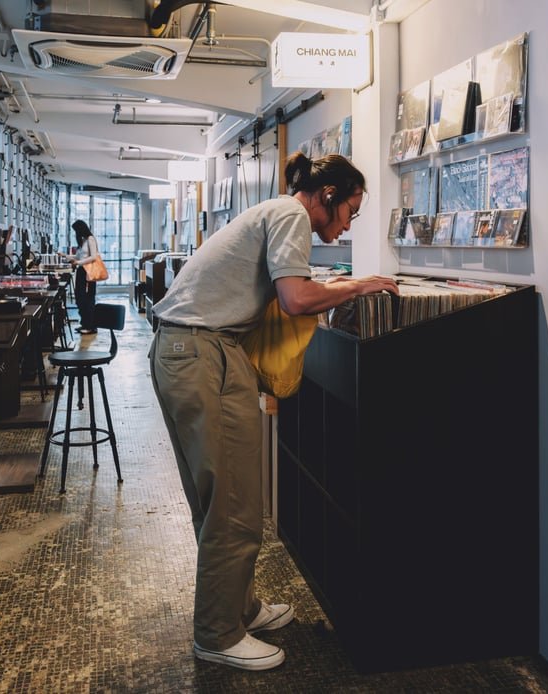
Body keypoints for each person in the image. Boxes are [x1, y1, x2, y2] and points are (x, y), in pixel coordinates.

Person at [149, 152, 399, 671]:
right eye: (350, 211)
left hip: (190, 349)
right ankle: (218, 633)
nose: (349, 224)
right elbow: (296, 298)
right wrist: (360, 284)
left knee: (224, 496)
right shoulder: (291, 215)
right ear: (327, 196)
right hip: (203, 352)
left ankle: (239, 609)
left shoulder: (273, 211)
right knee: (233, 500)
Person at [69, 220, 100, 335]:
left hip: (88, 272)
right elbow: (79, 256)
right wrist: (66, 256)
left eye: (76, 230)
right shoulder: (83, 241)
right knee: (79, 297)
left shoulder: (91, 239)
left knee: (87, 298)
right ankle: (85, 323)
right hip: (81, 271)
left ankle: (90, 326)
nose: (75, 233)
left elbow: (94, 257)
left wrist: (78, 263)